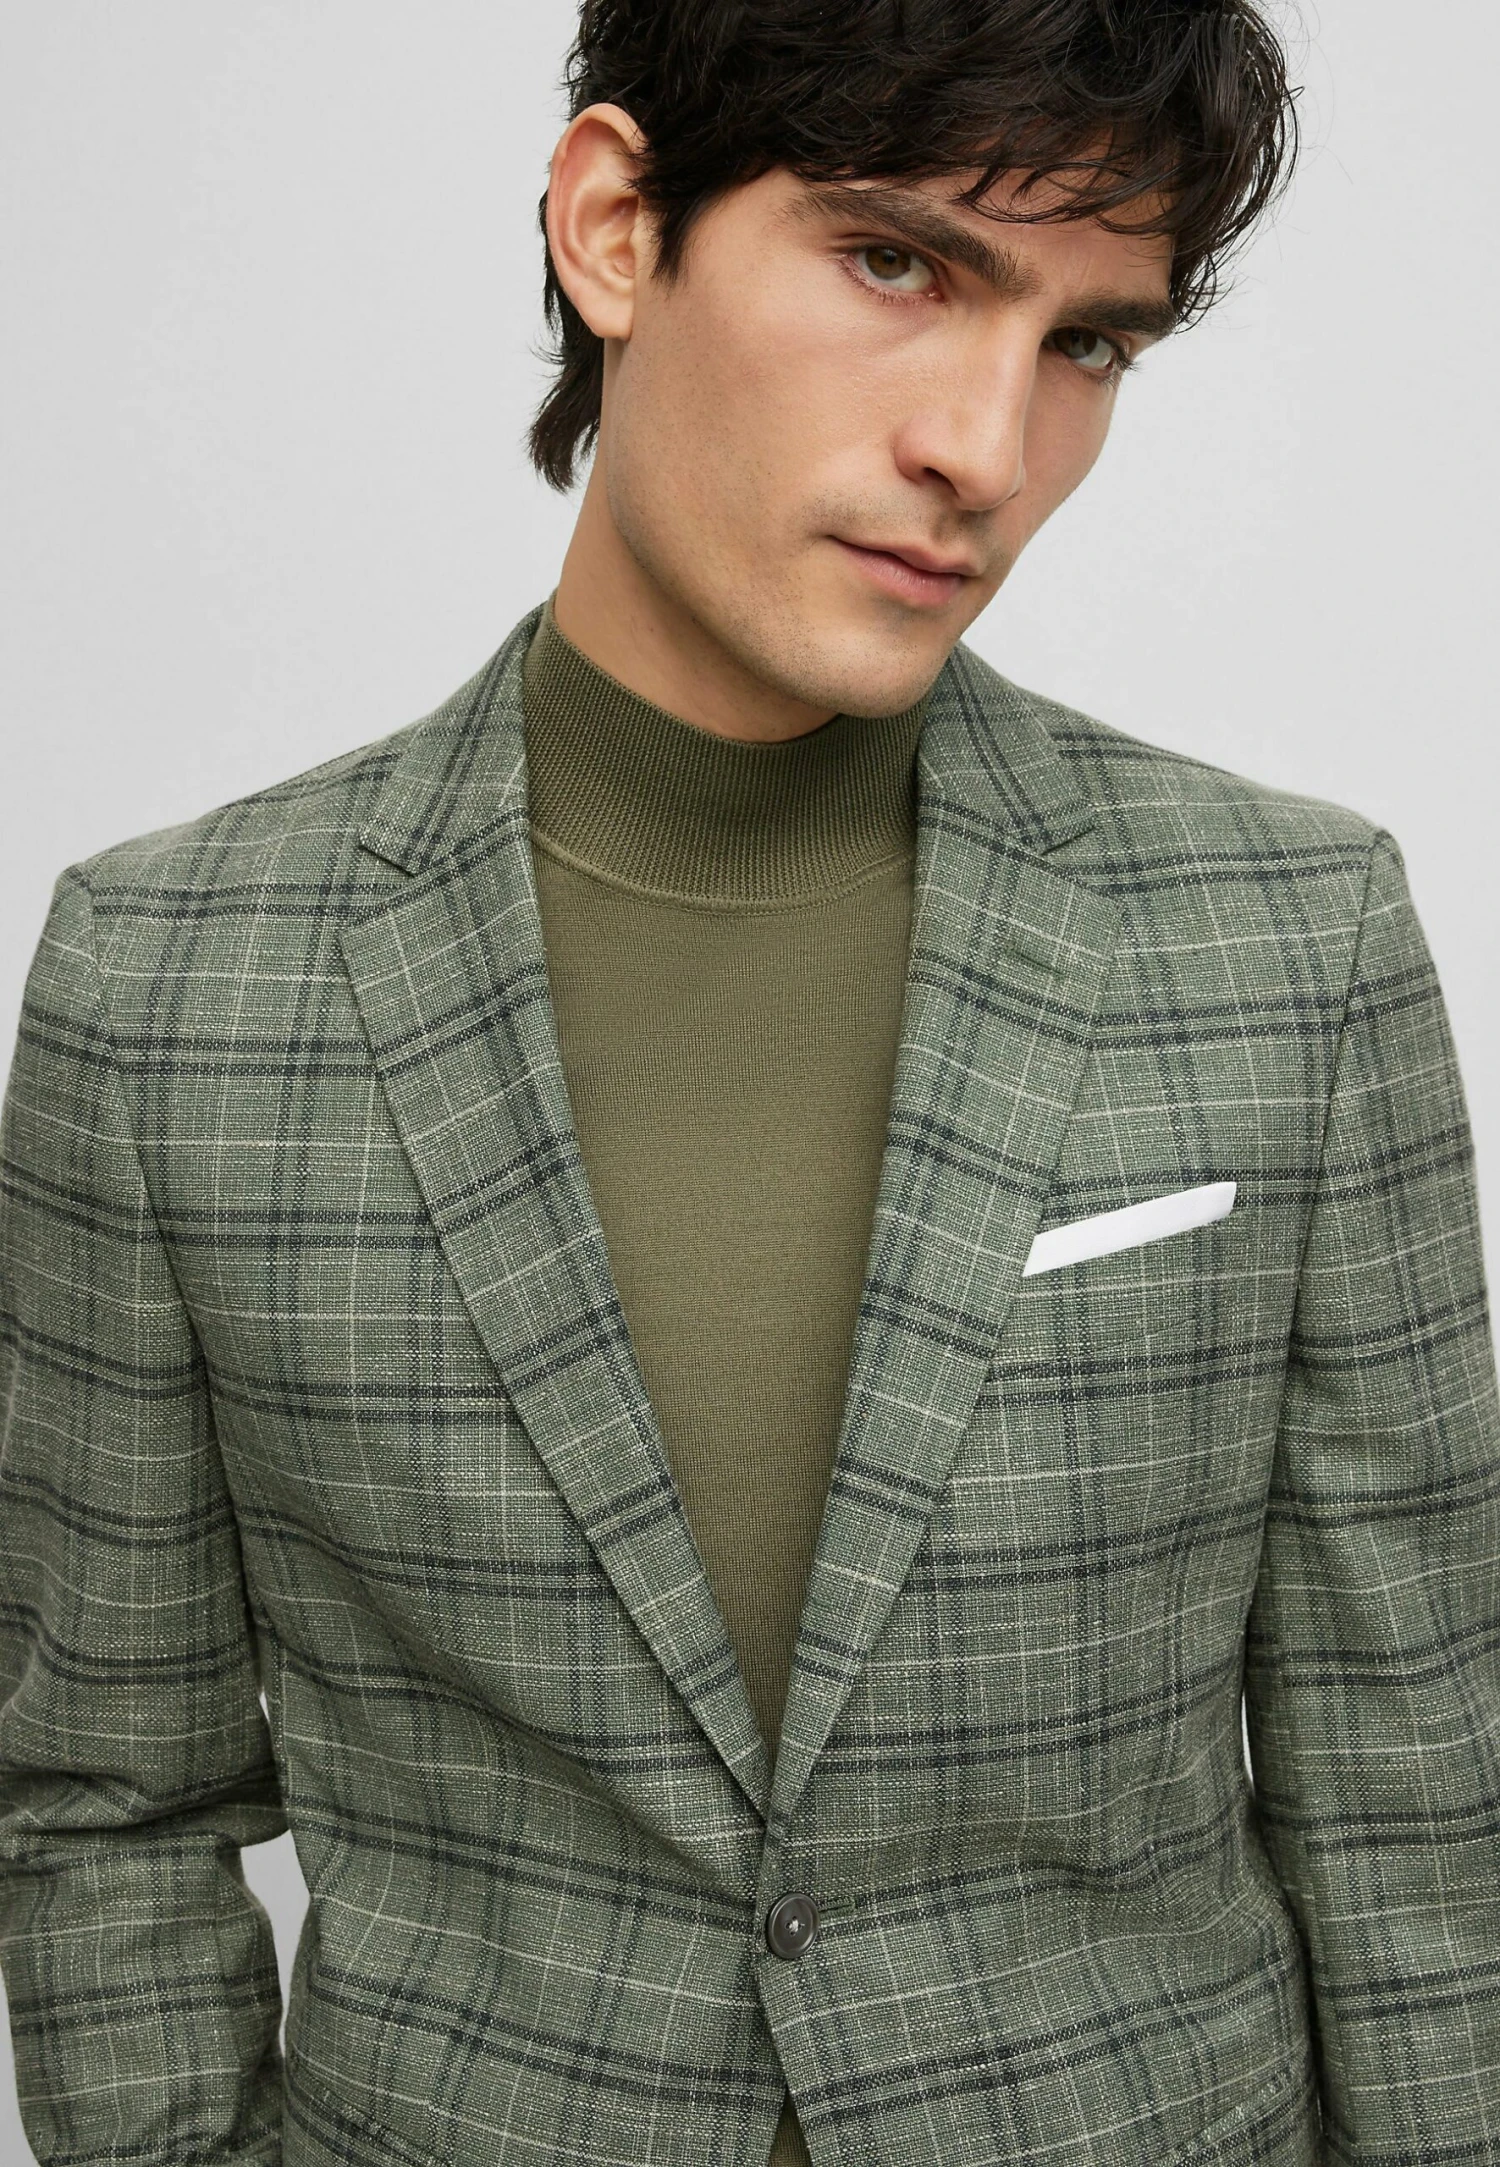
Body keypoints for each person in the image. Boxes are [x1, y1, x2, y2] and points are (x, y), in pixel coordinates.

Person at [2, 1, 1496, 2161]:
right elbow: (104, 1798)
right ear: (616, 227)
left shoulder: (1292, 941)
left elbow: (1418, 1786)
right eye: (899, 262)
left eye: (1088, 342)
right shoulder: (169, 989)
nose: (987, 446)